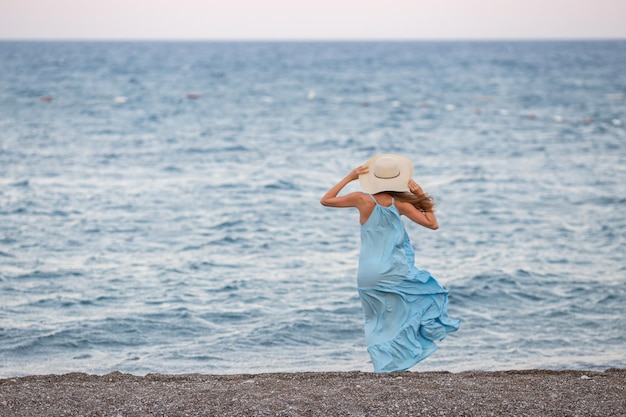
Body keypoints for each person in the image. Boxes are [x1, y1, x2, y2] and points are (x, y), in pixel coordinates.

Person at [320, 154, 461, 373]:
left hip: (366, 274)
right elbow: (432, 224)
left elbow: (326, 200)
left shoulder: (361, 199)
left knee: (375, 320)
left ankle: (383, 366)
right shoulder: (402, 204)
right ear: (398, 180)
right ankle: (398, 363)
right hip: (393, 271)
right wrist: (420, 194)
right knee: (410, 306)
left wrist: (350, 177)